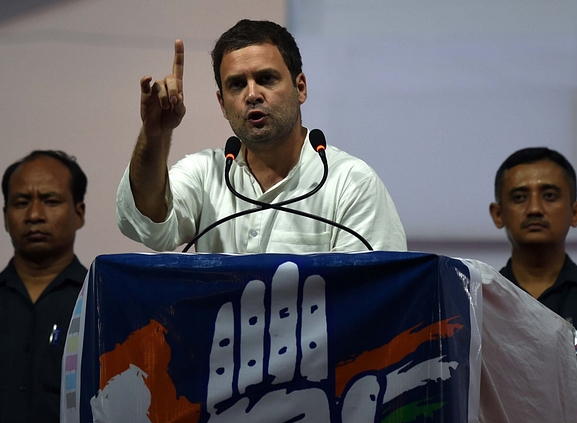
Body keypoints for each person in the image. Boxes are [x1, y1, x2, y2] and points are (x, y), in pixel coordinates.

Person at [116, 19, 406, 253]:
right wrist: (155, 133)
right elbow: (149, 226)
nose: (252, 94)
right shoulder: (206, 174)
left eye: (266, 79)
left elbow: (375, 297)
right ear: (222, 104)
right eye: (237, 85)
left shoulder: (350, 182)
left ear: (300, 88)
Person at [489, 147, 577, 423]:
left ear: (575, 211)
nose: (534, 208)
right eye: (519, 197)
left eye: (550, 195)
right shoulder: (476, 303)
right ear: (498, 213)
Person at [0, 150, 87, 423]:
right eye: (21, 203)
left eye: (50, 200)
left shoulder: (103, 307)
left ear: (79, 212)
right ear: (6, 217)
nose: (34, 215)